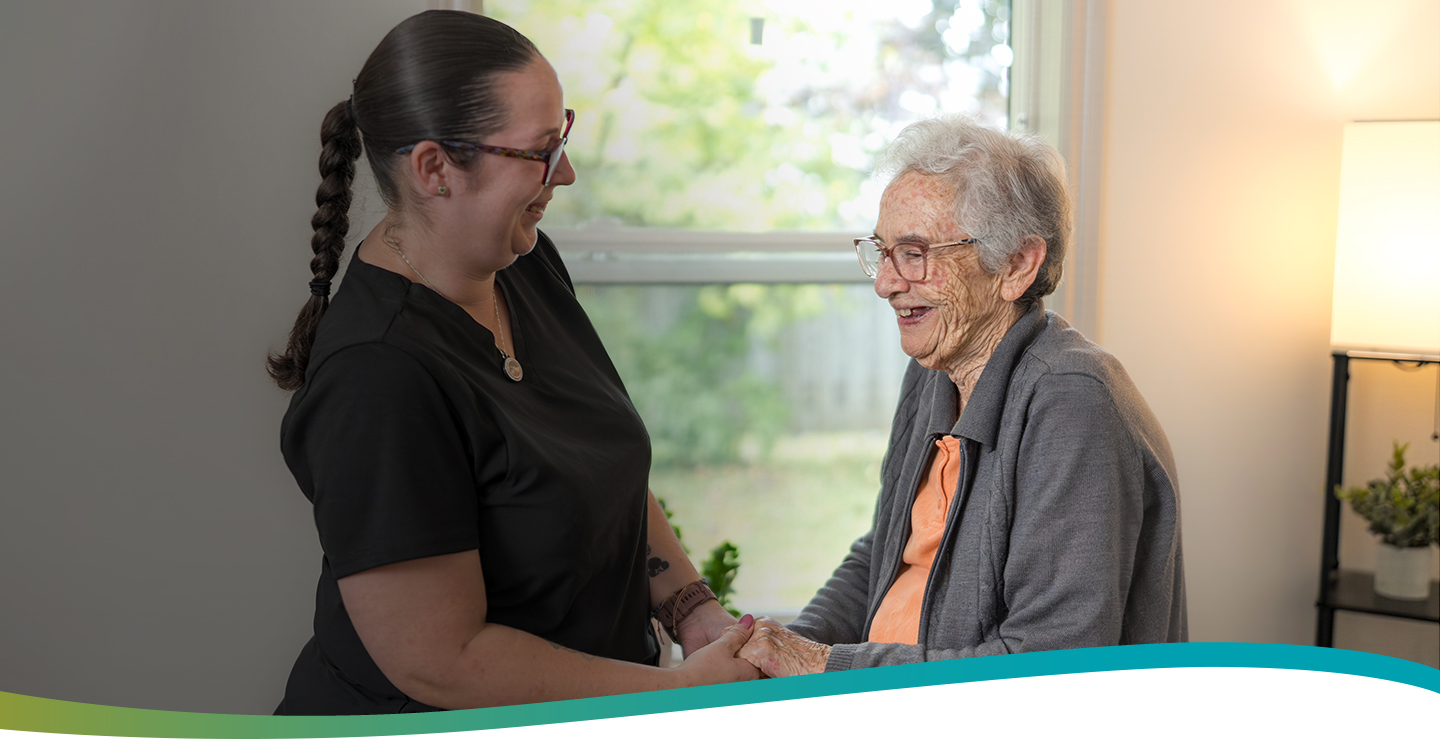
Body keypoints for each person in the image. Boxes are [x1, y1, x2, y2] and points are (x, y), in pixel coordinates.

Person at [267, 11, 757, 714]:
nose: (567, 170)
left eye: (563, 136)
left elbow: (597, 467)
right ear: (436, 168)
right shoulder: (378, 377)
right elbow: (443, 662)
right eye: (539, 151)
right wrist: (672, 692)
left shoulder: (522, 263)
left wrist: (690, 608)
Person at [738, 115, 1186, 677]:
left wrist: (824, 668)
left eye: (916, 252)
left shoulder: (1073, 403)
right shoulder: (934, 370)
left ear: (1017, 265)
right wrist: (781, 649)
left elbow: (1049, 665)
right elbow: (886, 552)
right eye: (883, 250)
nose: (885, 282)